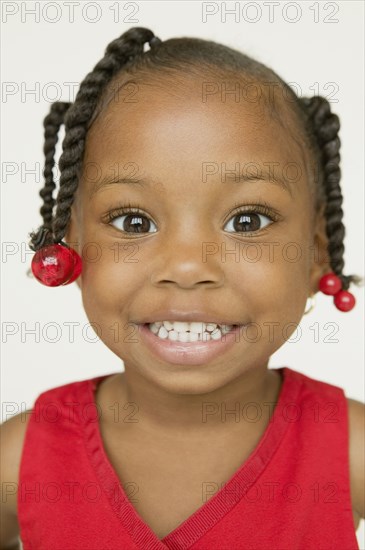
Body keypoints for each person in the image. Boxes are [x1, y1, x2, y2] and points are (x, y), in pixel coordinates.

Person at [1, 26, 364, 550]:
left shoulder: (350, 450)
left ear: (316, 252)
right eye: (132, 222)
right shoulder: (21, 457)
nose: (188, 267)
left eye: (247, 221)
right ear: (70, 245)